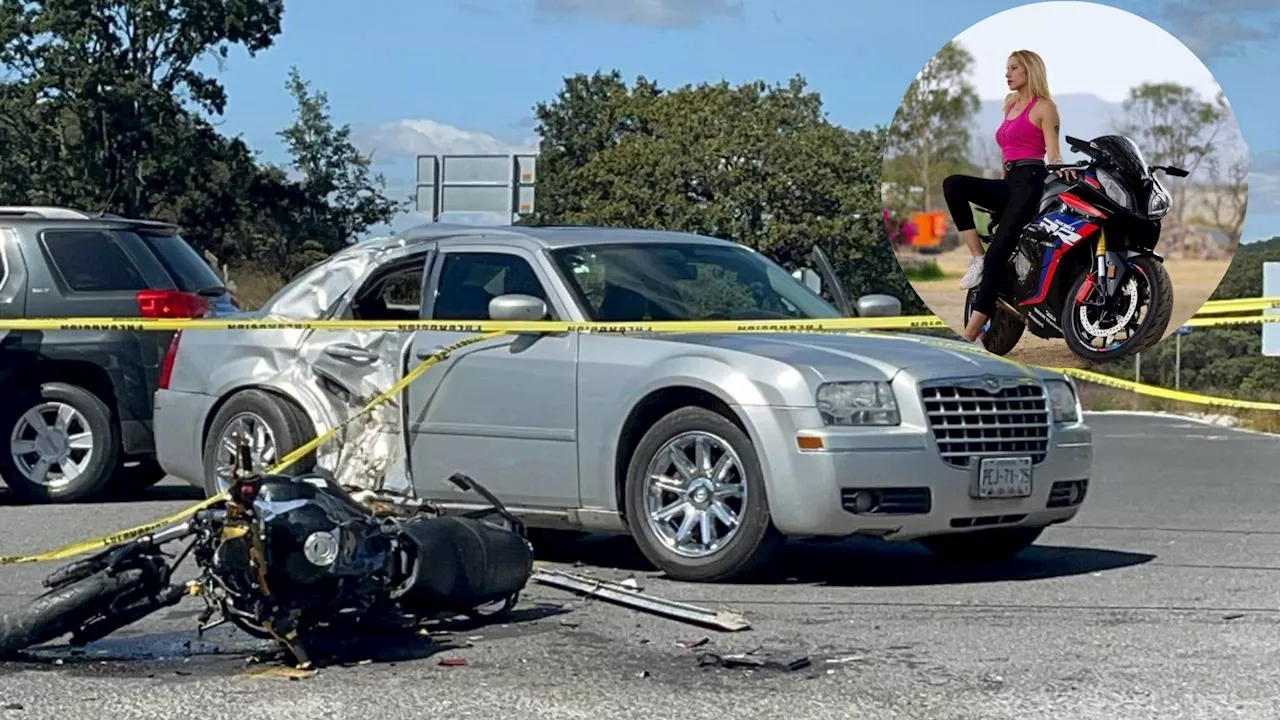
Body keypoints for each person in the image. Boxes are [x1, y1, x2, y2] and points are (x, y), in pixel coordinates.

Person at [942, 49, 1076, 344]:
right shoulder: (1010, 104)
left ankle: (968, 336)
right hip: (1010, 181)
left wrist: (1061, 168)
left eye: (1014, 68)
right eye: (1007, 69)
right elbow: (1006, 154)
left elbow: (1052, 152)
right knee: (954, 184)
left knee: (998, 254)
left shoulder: (1045, 107)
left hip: (1031, 181)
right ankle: (976, 257)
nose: (1007, 74)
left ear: (1030, 71)